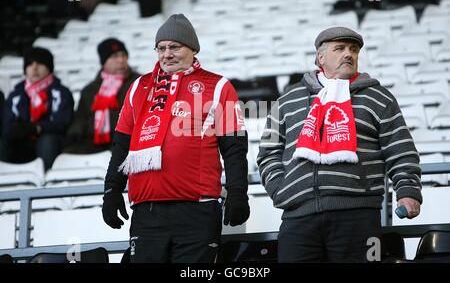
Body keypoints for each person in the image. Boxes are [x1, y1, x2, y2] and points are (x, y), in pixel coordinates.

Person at [257, 27, 422, 263]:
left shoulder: (379, 97)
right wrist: (280, 189)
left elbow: (400, 149)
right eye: (340, 48)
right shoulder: (288, 100)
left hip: (358, 215)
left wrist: (407, 190)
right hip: (298, 216)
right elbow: (268, 152)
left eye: (353, 50)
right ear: (320, 58)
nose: (348, 54)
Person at [101, 14, 250, 263]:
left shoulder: (218, 85)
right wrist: (112, 189)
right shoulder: (139, 87)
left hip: (197, 209)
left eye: (174, 47)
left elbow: (234, 146)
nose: (167, 54)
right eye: (161, 48)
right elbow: (122, 145)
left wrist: (238, 192)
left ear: (193, 49)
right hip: (147, 211)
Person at [2, 47, 74, 170]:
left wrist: (37, 127)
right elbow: (7, 126)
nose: (34, 68)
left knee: (47, 141)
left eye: (39, 63)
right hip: (21, 143)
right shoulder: (16, 95)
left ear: (49, 67)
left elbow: (62, 123)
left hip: (51, 142)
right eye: (29, 64)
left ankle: (48, 180)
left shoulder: (62, 93)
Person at [64, 38, 140, 154]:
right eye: (114, 56)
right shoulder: (90, 89)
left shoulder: (139, 83)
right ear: (104, 61)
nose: (121, 60)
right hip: (94, 140)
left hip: (126, 139)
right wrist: (75, 134)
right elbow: (80, 118)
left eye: (123, 55)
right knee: (69, 153)